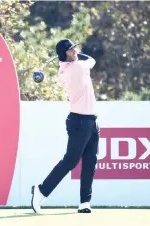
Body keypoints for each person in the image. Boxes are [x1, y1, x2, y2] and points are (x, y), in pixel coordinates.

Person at [31, 39, 100, 214]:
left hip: (91, 121)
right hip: (80, 122)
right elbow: (92, 60)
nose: (75, 51)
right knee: (71, 161)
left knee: (90, 162)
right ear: (64, 54)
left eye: (74, 48)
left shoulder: (68, 66)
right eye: (71, 50)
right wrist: (78, 56)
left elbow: (83, 58)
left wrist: (69, 55)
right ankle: (42, 190)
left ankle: (85, 202)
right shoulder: (76, 68)